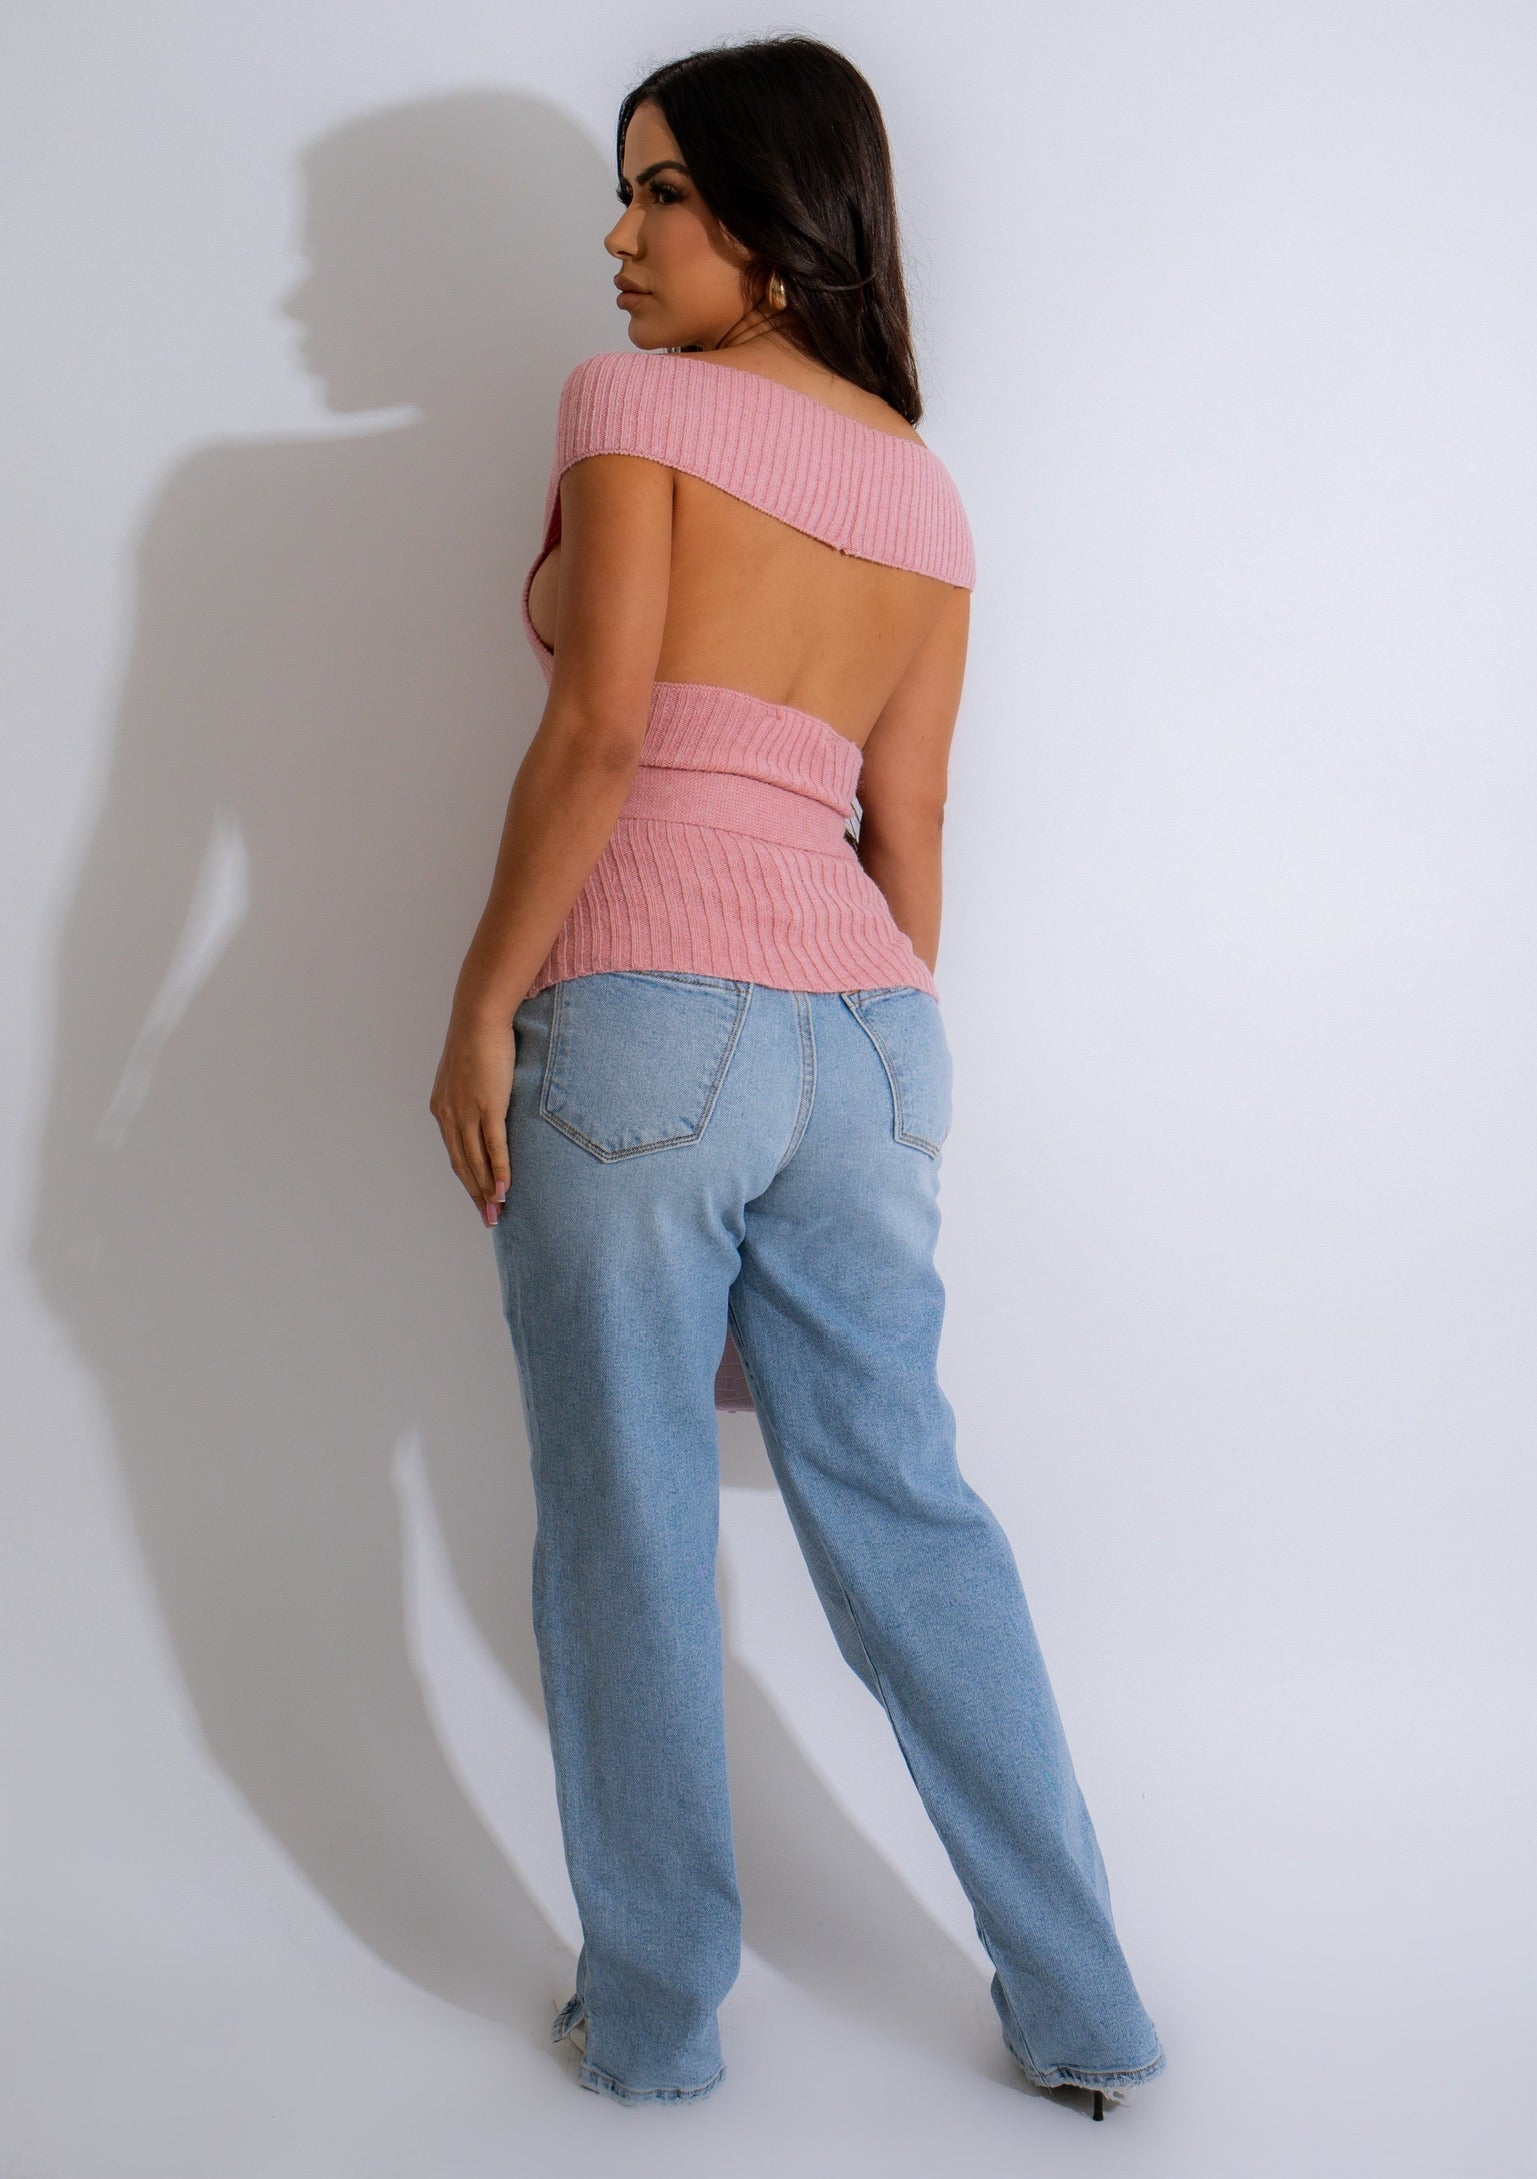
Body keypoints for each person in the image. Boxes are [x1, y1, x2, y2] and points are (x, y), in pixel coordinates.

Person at [429, 33, 1166, 2116]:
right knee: (911, 1517)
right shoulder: (923, 494)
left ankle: (656, 2024)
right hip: (873, 1034)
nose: (620, 233)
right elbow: (905, 825)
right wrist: (848, 1077)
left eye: (660, 191)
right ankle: (1086, 2003)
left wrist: (485, 999)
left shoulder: (633, 408)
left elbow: (598, 733)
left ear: (772, 210)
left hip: (646, 1001)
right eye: (625, 186)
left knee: (631, 1530)